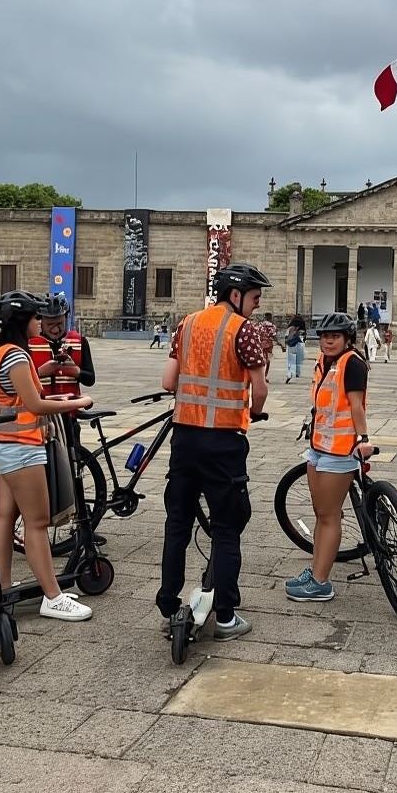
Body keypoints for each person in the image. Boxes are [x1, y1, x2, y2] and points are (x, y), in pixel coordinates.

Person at [158, 262, 270, 641]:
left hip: (184, 438)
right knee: (226, 528)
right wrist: (254, 412)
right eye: (254, 298)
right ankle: (224, 616)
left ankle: (169, 604)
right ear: (235, 295)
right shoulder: (245, 331)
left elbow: (168, 380)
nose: (256, 306)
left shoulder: (186, 324)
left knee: (177, 522)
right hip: (223, 442)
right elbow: (260, 389)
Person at [0, 290, 95, 622]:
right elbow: (34, 404)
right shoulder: (17, 356)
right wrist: (76, 403)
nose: (41, 323)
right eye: (36, 318)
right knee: (37, 522)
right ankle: (53, 596)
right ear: (23, 322)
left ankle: (2, 584)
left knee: (4, 516)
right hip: (20, 448)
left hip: (3, 443)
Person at [286, 312, 374, 602]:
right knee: (323, 514)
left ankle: (321, 583)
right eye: (324, 336)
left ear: (348, 338)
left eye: (335, 336)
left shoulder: (353, 364)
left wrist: (363, 440)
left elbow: (357, 406)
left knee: (328, 516)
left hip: (341, 450)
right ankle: (315, 571)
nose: (328, 341)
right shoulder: (324, 363)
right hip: (318, 447)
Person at [256, 311, 279, 379]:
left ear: (265, 317)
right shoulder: (272, 326)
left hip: (260, 344)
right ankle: (264, 376)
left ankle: (260, 375)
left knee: (261, 359)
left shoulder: (259, 325)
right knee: (267, 360)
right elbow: (274, 336)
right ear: (270, 317)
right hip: (268, 344)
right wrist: (280, 344)